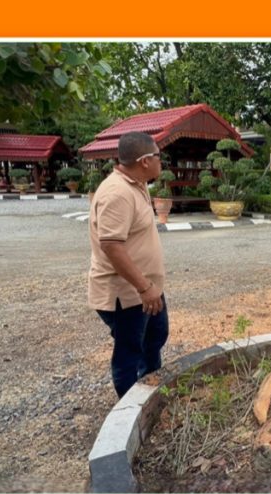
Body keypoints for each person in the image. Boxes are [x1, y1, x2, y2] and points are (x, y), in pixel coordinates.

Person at [88, 132, 168, 398]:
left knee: (155, 337)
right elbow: (111, 246)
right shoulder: (117, 193)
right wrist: (144, 287)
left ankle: (149, 392)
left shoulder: (136, 184)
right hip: (128, 292)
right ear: (145, 161)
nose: (161, 161)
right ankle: (129, 409)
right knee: (129, 351)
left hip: (146, 288)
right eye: (158, 156)